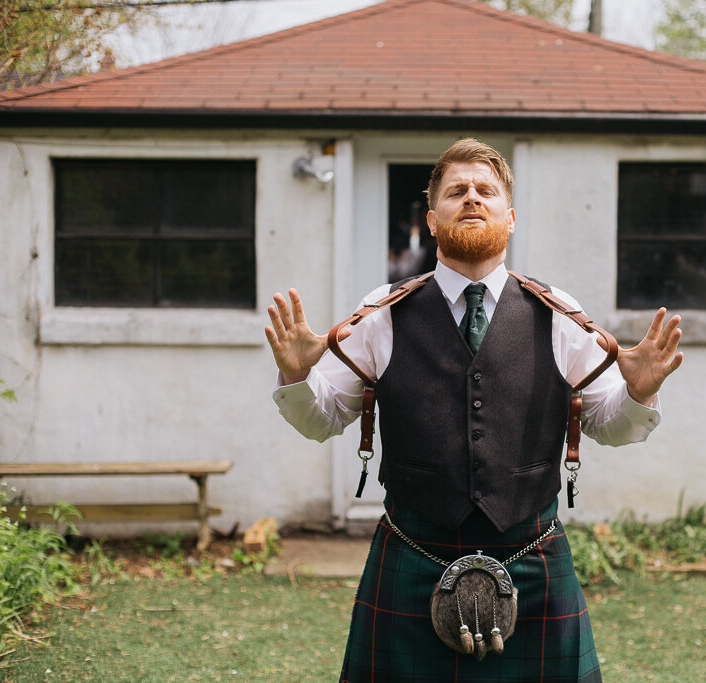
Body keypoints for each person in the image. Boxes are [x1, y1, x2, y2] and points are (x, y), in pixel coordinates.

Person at [266, 138, 683, 682]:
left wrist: (639, 392)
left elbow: (609, 425)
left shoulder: (559, 313)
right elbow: (321, 419)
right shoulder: (381, 313)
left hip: (532, 558)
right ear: (432, 219)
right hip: (414, 555)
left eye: (486, 190)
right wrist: (298, 376)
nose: (471, 199)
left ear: (509, 218)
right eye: (456, 191)